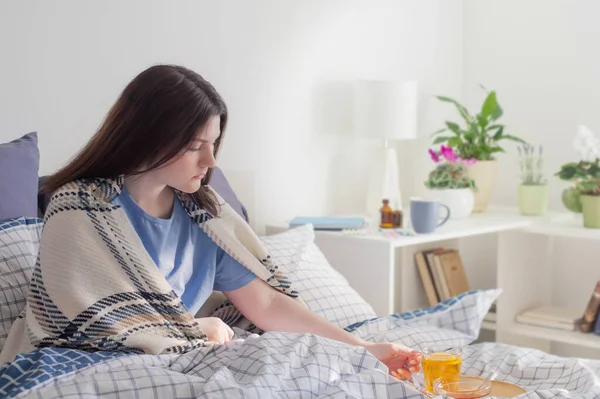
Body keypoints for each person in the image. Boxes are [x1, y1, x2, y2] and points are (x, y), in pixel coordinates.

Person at [39, 65, 420, 380]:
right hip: (98, 366)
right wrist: (192, 330)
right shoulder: (79, 207)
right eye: (193, 146)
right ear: (147, 136)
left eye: (213, 143)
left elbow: (267, 304)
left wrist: (364, 350)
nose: (211, 162)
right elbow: (84, 324)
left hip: (188, 357)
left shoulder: (204, 213)